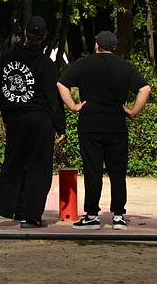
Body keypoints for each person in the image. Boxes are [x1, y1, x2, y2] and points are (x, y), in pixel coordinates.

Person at [56, 30, 151, 229]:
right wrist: (133, 111)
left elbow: (62, 84)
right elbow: (145, 88)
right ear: (114, 48)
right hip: (116, 125)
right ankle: (118, 215)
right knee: (118, 172)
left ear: (96, 45)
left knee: (93, 171)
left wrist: (73, 106)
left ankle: (92, 215)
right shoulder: (125, 66)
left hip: (90, 124)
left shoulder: (84, 63)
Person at [0, 16, 66, 228]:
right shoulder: (45, 63)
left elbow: (1, 90)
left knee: (11, 165)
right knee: (39, 168)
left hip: (16, 118)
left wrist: (6, 116)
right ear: (44, 37)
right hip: (40, 119)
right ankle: (30, 216)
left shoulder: (7, 57)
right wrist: (60, 126)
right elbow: (52, 97)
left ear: (25, 33)